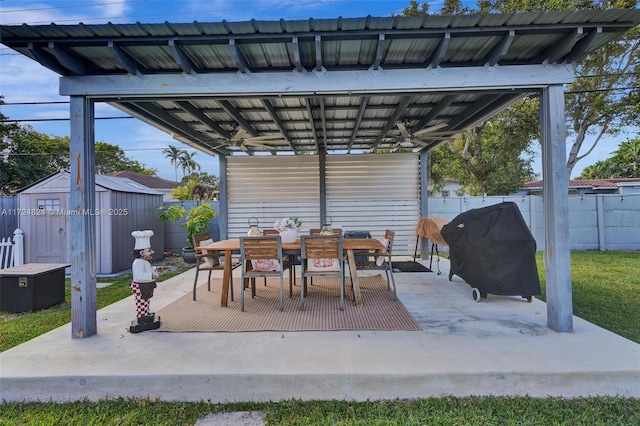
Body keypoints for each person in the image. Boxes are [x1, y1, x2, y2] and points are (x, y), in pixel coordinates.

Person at [130, 230, 161, 333]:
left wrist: (155, 269)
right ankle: (142, 317)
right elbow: (140, 276)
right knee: (141, 302)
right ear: (142, 252)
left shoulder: (144, 261)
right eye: (149, 250)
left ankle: (146, 314)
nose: (151, 252)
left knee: (146, 301)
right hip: (140, 286)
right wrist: (152, 275)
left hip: (145, 286)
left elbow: (148, 270)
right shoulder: (138, 263)